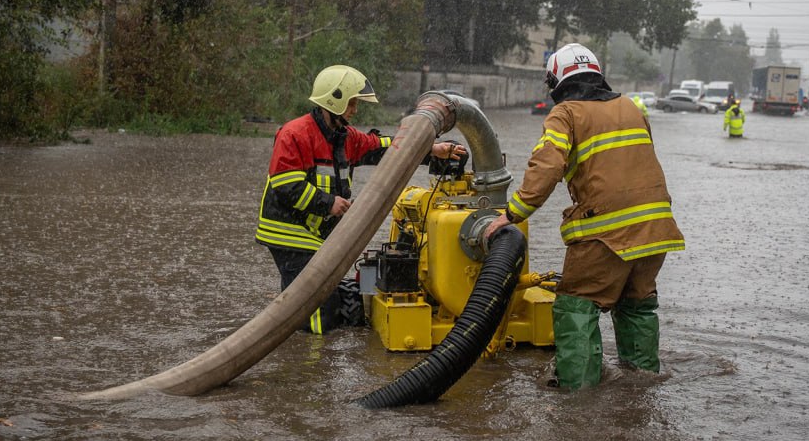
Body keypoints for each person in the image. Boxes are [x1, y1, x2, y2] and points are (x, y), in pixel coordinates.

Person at [483, 43, 685, 389]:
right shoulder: (633, 108)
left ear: (558, 81)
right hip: (656, 231)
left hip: (605, 235)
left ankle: (579, 399)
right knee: (637, 306)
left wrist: (510, 214)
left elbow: (547, 166)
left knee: (575, 305)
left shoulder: (566, 114)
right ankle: (642, 385)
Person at [256, 64, 466, 334]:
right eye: (352, 103)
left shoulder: (345, 137)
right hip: (288, 234)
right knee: (318, 307)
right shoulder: (295, 134)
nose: (355, 110)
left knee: (308, 300)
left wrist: (430, 150)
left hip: (316, 235)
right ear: (335, 100)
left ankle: (291, 335)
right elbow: (286, 185)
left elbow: (388, 150)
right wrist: (329, 203)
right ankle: (310, 364)